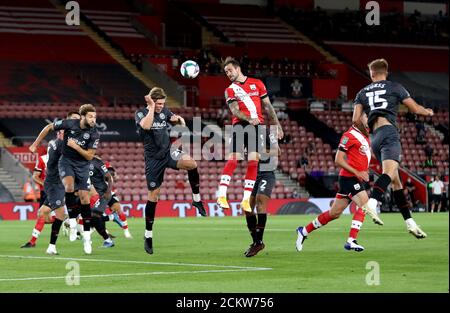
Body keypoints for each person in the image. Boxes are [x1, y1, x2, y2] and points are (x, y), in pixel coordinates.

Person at [352, 58, 433, 239]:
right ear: (386, 72)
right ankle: (373, 203)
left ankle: (410, 223)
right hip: (389, 133)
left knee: (396, 183)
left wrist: (367, 130)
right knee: (389, 173)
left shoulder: (362, 92)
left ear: (371, 74)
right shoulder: (394, 87)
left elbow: (355, 119)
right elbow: (414, 108)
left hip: (375, 138)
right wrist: (428, 111)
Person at [296, 112, 383, 253]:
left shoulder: (366, 135)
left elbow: (367, 154)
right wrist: (357, 172)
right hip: (349, 178)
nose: (369, 120)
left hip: (355, 178)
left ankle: (304, 231)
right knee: (364, 204)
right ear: (359, 118)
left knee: (334, 213)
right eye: (367, 117)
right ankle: (351, 240)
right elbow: (338, 160)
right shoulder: (349, 135)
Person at [135, 87, 207, 255]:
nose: (161, 106)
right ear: (152, 102)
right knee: (154, 196)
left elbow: (172, 118)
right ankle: (148, 236)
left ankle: (196, 200)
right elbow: (145, 126)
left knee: (192, 164)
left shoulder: (164, 110)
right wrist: (152, 107)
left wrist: (178, 120)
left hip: (168, 152)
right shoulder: (140, 113)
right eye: (158, 103)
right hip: (153, 159)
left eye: (162, 104)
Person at [29, 104, 100, 254]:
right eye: (73, 120)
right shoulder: (56, 144)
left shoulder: (89, 134)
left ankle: (76, 233)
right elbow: (51, 132)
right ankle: (65, 230)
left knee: (84, 199)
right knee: (54, 213)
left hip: (71, 175)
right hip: (55, 182)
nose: (75, 122)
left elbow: (87, 156)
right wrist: (36, 144)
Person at [217, 57, 284, 213]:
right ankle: (221, 195)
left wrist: (277, 125)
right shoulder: (230, 90)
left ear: (238, 69)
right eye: (226, 72)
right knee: (234, 159)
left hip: (258, 128)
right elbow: (234, 111)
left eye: (230, 70)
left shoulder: (257, 84)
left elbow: (268, 106)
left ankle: (246, 200)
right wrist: (249, 118)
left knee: (254, 162)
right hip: (240, 126)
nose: (228, 74)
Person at [21, 111, 81, 253]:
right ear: (60, 132)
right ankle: (64, 227)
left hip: (58, 185)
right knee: (53, 215)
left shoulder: (57, 144)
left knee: (43, 213)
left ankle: (48, 243)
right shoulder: (57, 146)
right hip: (54, 185)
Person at [244, 129, 279, 257]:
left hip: (267, 174)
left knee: (260, 204)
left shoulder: (268, 133)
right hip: (253, 174)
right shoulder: (245, 134)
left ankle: (259, 242)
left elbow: (277, 151)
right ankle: (256, 242)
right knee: (247, 208)